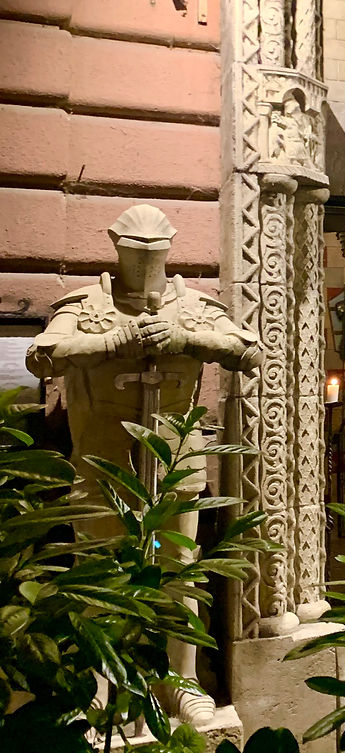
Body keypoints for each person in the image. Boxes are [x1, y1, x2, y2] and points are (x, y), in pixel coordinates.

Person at [26, 204, 261, 725]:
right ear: (115, 245)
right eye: (136, 251)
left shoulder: (195, 305)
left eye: (155, 250)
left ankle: (180, 682)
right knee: (99, 572)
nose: (146, 260)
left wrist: (185, 339)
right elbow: (43, 354)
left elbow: (247, 350)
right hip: (103, 463)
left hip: (176, 459)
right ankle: (97, 685)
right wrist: (110, 341)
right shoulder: (86, 304)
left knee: (179, 570)